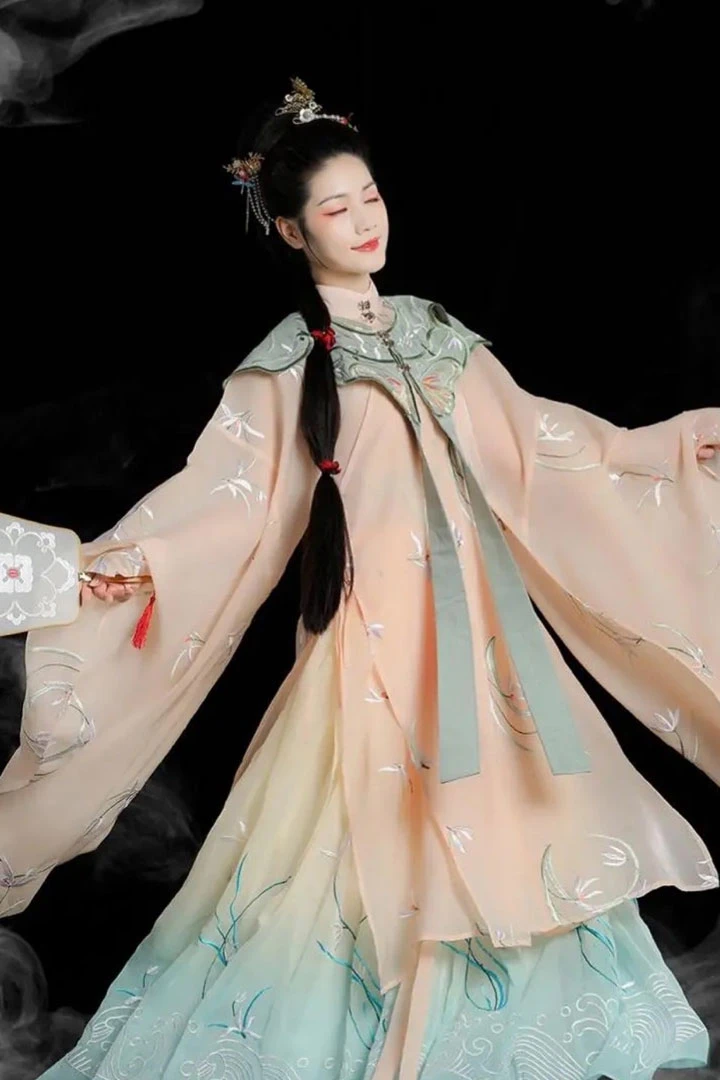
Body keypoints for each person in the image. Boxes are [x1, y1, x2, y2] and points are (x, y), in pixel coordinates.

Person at [3, 76, 720, 1079]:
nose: (364, 221)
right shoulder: (289, 364)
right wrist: (137, 562)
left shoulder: (436, 331)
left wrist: (661, 449)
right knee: (342, 847)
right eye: (337, 209)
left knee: (525, 825)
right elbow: (227, 500)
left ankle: (495, 1041)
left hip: (484, 644)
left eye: (371, 197)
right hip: (368, 642)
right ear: (293, 231)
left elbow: (539, 447)